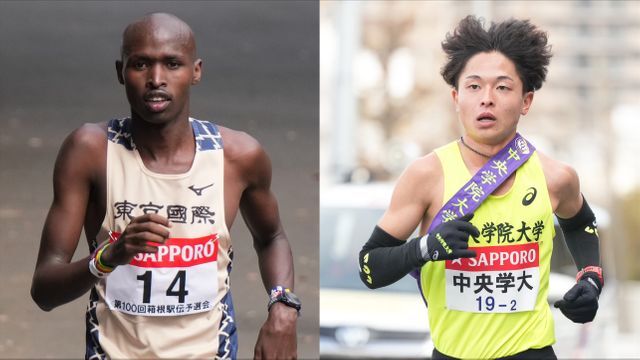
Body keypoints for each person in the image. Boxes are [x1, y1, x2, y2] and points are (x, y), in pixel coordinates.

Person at [30, 12, 300, 360]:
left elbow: (272, 237)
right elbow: (44, 290)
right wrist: (107, 258)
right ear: (120, 72)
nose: (156, 79)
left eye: (172, 64)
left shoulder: (238, 156)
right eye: (140, 64)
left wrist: (283, 307)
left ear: (196, 71)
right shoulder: (90, 151)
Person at [358, 15, 603, 359]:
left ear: (526, 101)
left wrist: (591, 279)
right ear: (456, 97)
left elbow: (581, 224)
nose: (487, 98)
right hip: (453, 353)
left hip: (531, 351)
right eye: (474, 87)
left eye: (503, 87)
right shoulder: (426, 175)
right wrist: (426, 247)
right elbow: (369, 266)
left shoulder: (555, 176)